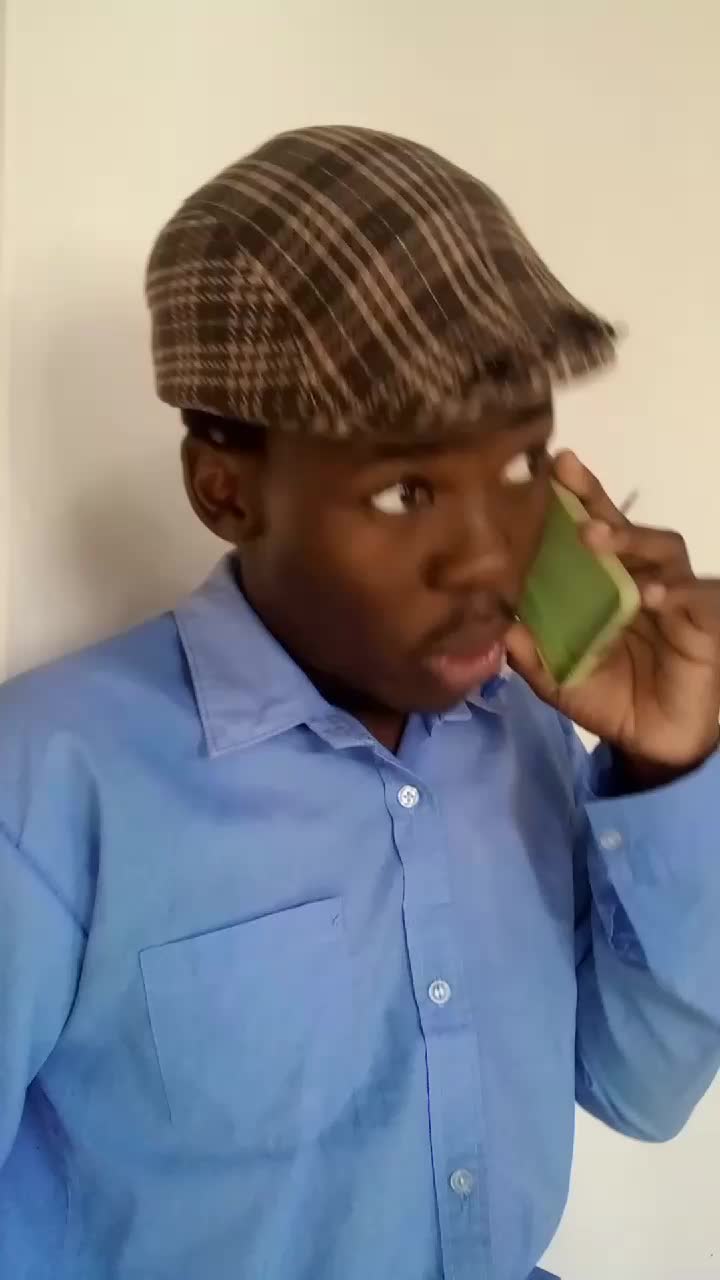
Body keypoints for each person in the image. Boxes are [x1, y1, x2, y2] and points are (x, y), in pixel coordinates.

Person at [1, 126, 719, 1280]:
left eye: (521, 467)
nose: (488, 556)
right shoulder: (47, 786)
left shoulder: (525, 732)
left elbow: (642, 1086)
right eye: (403, 489)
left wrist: (667, 769)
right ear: (225, 491)